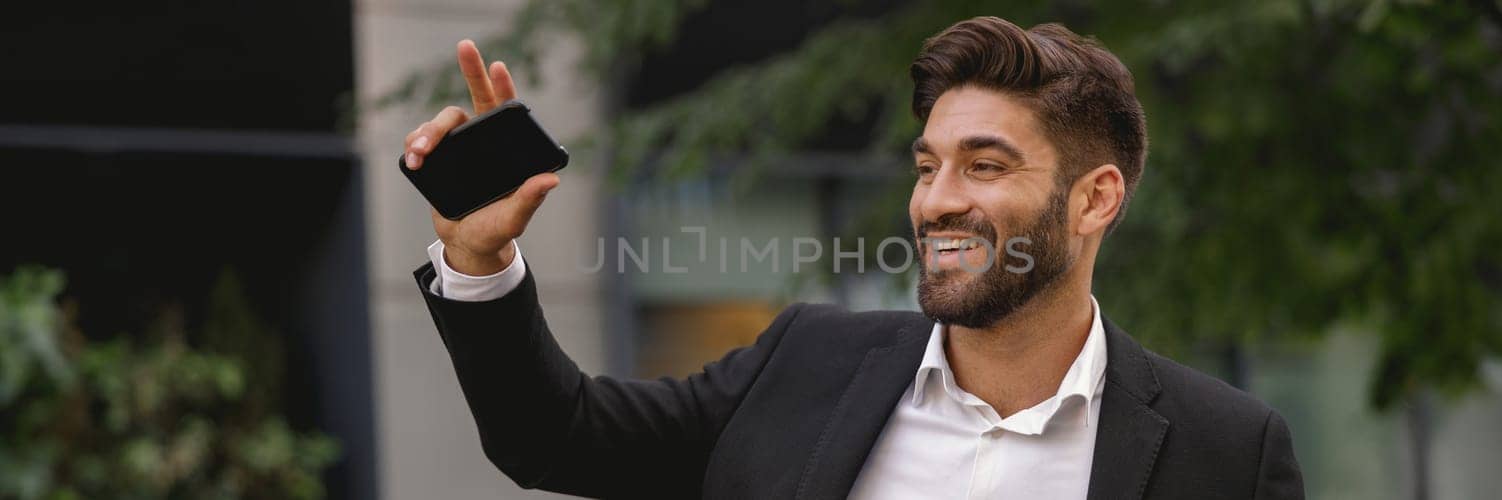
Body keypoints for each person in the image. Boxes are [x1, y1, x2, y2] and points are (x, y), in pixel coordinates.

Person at [402, 16, 1303, 500]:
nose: (937, 198)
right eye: (927, 165)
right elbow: (556, 439)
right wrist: (482, 262)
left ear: (1096, 198)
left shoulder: (1223, 450)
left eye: (984, 166)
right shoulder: (804, 364)